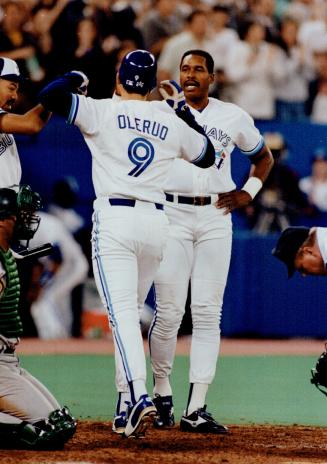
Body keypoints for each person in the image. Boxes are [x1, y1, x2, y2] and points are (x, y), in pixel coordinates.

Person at [37, 49, 216, 438]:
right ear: (152, 84)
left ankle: (137, 395)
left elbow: (50, 95)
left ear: (119, 79)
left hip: (116, 219)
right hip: (156, 222)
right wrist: (181, 111)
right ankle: (124, 404)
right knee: (130, 312)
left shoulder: (101, 110)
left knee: (120, 316)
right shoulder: (167, 118)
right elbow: (208, 156)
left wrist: (75, 77)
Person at [148, 49, 274, 434]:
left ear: (212, 78)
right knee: (169, 311)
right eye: (185, 68)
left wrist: (249, 192)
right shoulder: (163, 111)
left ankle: (197, 407)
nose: (190, 75)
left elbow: (263, 157)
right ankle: (162, 391)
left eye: (198, 69)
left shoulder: (232, 115)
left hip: (216, 216)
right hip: (171, 213)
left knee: (207, 312)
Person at [0, 185, 76, 449]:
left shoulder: (6, 253)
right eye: (19, 214)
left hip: (8, 360)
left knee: (61, 422)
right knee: (44, 432)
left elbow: (18, 257)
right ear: (3, 219)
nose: (27, 219)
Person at [0, 56, 51, 190]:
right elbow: (32, 124)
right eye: (11, 88)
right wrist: (56, 95)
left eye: (17, 90)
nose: (15, 96)